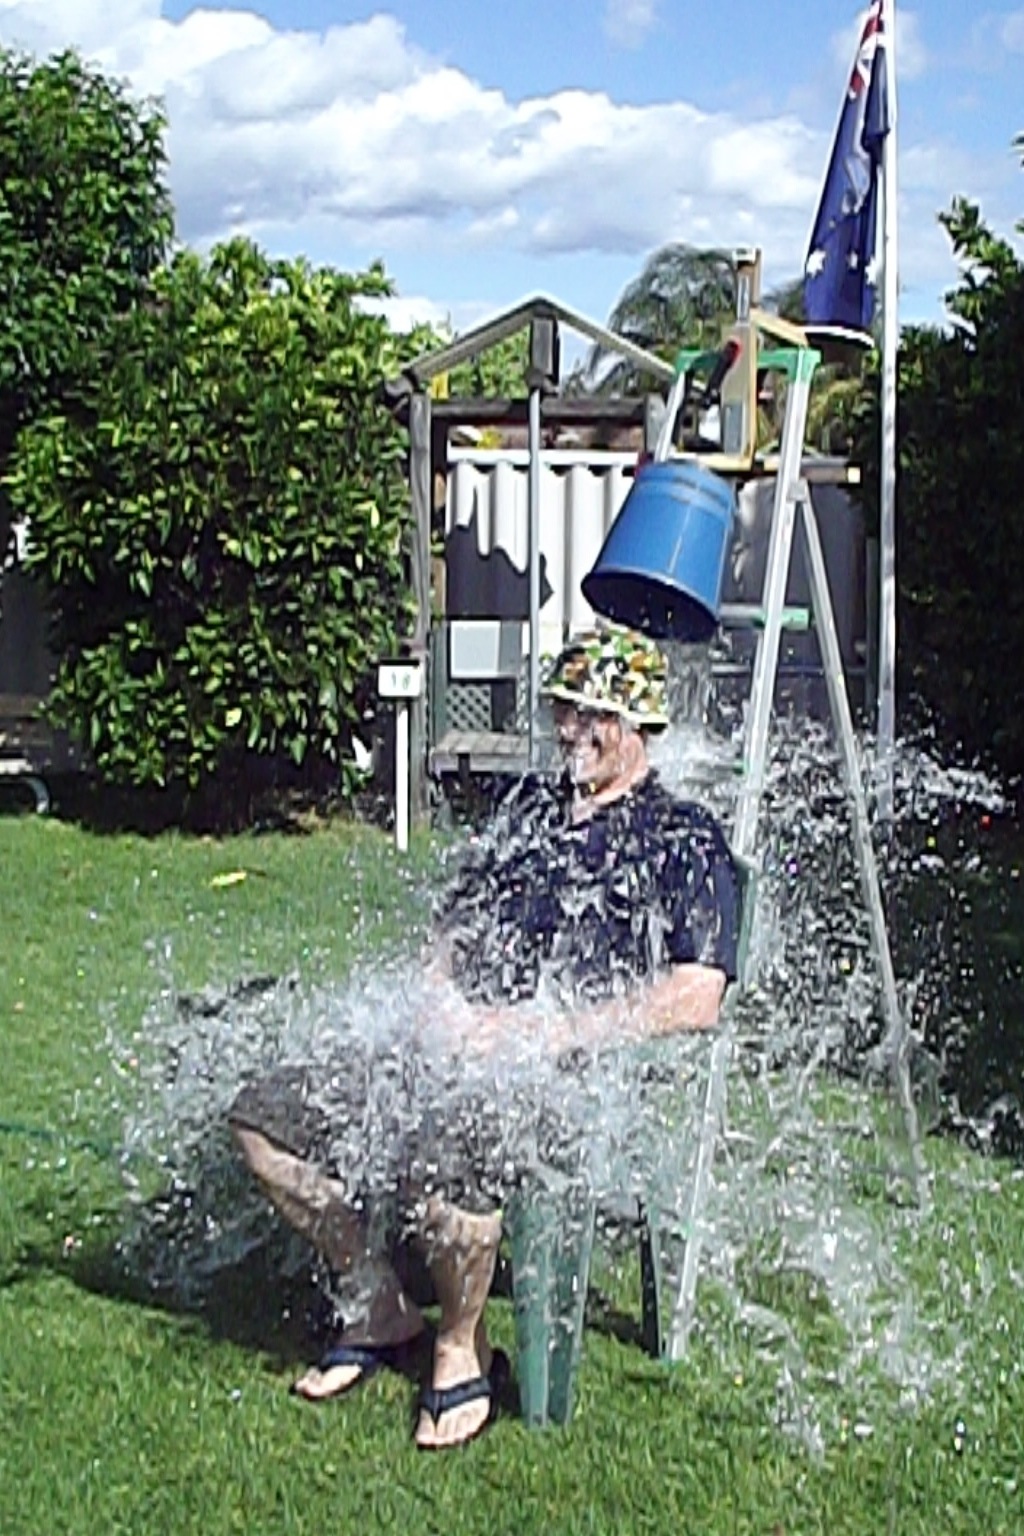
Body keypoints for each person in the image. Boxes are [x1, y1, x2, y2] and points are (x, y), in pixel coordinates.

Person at [229, 625, 740, 1449]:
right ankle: (377, 1306)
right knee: (265, 1119)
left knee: (447, 1148)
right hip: (459, 1042)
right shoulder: (528, 807)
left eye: (592, 715)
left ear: (640, 724)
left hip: (559, 1073)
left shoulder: (683, 838)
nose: (570, 728)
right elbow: (451, 930)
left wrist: (544, 1032)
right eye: (562, 708)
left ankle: (462, 1350)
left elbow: (695, 997)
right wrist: (436, 1003)